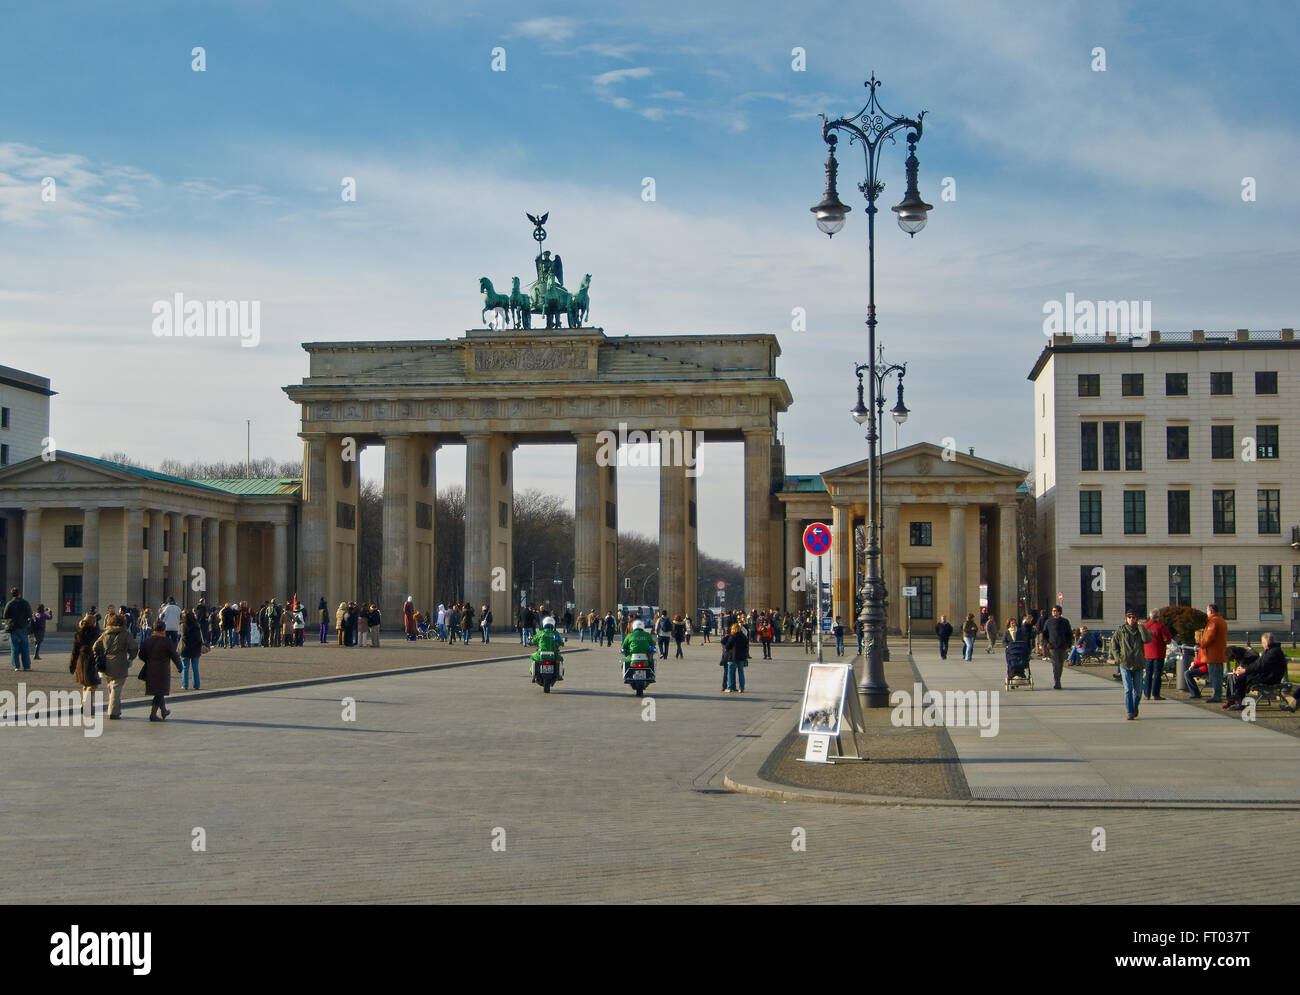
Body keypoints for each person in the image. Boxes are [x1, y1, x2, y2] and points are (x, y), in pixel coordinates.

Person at [1224, 633, 1287, 710]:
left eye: (1262, 643)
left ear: (1266, 643)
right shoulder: (1271, 651)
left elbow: (1260, 664)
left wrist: (1245, 670)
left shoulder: (1273, 652)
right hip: (1268, 675)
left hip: (1270, 678)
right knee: (1242, 676)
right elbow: (1258, 664)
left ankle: (1238, 700)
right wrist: (1243, 670)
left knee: (1243, 677)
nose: (1262, 645)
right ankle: (1236, 698)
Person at [93, 612, 138, 720]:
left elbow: (95, 646)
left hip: (106, 663)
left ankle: (116, 710)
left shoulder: (105, 633)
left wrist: (98, 656)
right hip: (120, 662)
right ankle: (113, 711)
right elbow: (134, 647)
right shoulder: (125, 634)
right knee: (116, 688)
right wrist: (131, 658)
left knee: (111, 687)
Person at [1109, 608, 1152, 719]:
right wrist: (1119, 658)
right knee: (1128, 689)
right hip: (1125, 663)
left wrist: (1142, 627)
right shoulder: (1121, 631)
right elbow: (1114, 645)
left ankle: (1134, 707)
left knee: (1138, 691)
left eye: (1133, 617)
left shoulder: (1140, 630)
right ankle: (1129, 711)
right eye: (1129, 617)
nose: (1131, 619)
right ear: (1126, 619)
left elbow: (1147, 640)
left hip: (1138, 663)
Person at [138, 619, 182, 722]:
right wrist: (180, 666)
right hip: (162, 670)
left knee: (158, 691)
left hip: (150, 669)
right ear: (164, 630)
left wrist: (148, 660)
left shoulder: (147, 640)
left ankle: (164, 710)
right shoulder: (167, 641)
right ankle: (153, 714)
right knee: (159, 691)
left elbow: (141, 655)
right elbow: (174, 656)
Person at [69, 613, 102, 718]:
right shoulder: (96, 633)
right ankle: (87, 706)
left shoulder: (78, 634)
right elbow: (99, 649)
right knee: (92, 685)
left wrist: (72, 665)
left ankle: (85, 705)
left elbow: (74, 651)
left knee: (85, 684)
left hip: (80, 661)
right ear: (93, 623)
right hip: (91, 661)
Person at [1199, 603, 1228, 703]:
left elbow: (1209, 638)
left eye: (1207, 611)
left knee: (1215, 675)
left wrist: (1201, 643)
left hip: (1213, 653)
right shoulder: (1222, 621)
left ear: (1211, 611)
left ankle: (1216, 695)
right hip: (1219, 652)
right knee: (1218, 674)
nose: (1206, 613)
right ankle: (1218, 694)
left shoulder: (1213, 622)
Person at [1142, 610, 1174, 701]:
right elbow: (1168, 640)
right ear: (1158, 617)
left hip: (1147, 654)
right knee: (1157, 674)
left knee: (1148, 674)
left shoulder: (1145, 626)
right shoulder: (1161, 627)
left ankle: (1146, 694)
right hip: (1159, 654)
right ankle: (1156, 694)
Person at [1041, 605, 1073, 689]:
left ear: (1059, 612)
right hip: (1052, 646)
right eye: (1053, 611)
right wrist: (1046, 643)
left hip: (1062, 646)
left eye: (1055, 611)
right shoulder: (1048, 622)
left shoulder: (1065, 621)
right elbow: (1044, 634)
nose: (1054, 612)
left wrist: (1068, 644)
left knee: (1060, 664)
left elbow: (1069, 634)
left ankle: (1058, 679)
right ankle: (1057, 682)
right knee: (1055, 664)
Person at [4, 586, 34, 671]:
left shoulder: (10, 603)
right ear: (19, 594)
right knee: (25, 647)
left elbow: (5, 615)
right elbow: (29, 614)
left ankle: (16, 666)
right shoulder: (25, 603)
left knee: (14, 648)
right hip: (23, 627)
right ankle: (26, 666)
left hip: (13, 627)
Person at [529, 615, 565, 681]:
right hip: (553, 655)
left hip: (541, 654)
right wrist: (561, 643)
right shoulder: (555, 634)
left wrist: (530, 642)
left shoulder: (541, 633)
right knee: (560, 659)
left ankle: (533, 674)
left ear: (544, 624)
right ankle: (559, 675)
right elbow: (559, 642)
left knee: (532, 657)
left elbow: (533, 641)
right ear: (553, 624)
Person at [721, 622, 750, 693]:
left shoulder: (733, 637)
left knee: (730, 672)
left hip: (732, 656)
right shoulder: (744, 637)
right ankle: (741, 688)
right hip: (741, 657)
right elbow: (747, 646)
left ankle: (730, 687)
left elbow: (727, 646)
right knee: (741, 672)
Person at [179, 609, 203, 690]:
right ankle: (196, 685)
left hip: (186, 649)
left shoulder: (183, 626)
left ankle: (185, 685)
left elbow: (182, 637)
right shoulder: (197, 626)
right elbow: (199, 638)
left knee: (185, 667)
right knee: (195, 668)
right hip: (195, 649)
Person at [1003, 616, 1029, 683]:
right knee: (1010, 664)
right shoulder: (1007, 632)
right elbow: (1004, 641)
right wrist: (1006, 646)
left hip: (1019, 650)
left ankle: (1021, 675)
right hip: (1010, 651)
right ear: (1009, 624)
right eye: (1012, 623)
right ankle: (1010, 677)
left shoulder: (1019, 630)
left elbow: (1023, 639)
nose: (1013, 624)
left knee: (1021, 662)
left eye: (1014, 623)